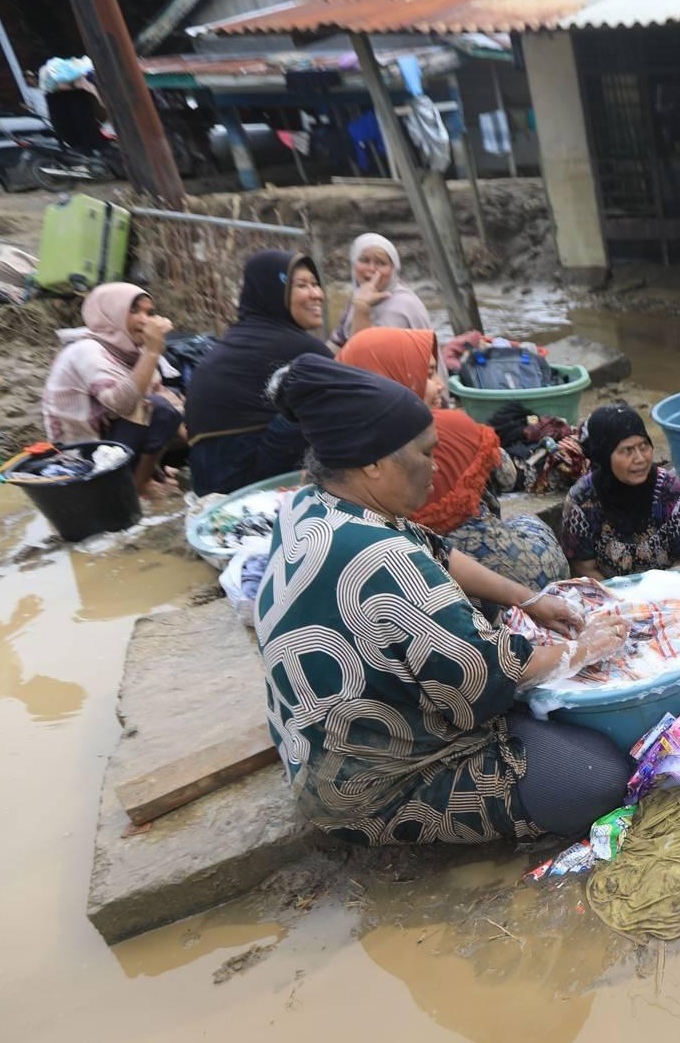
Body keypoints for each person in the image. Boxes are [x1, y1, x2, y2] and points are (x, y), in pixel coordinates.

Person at [256, 352, 635, 845]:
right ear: (372, 462)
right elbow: (487, 675)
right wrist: (581, 650)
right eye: (426, 453)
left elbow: (438, 550)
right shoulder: (384, 559)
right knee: (599, 775)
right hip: (375, 788)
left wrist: (531, 600)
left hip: (314, 758)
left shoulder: (310, 502)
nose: (436, 468)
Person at [337, 326, 568, 595]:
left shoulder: (348, 453)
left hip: (426, 579)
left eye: (436, 372)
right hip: (514, 576)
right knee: (526, 521)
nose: (441, 385)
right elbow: (510, 476)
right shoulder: (446, 426)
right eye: (427, 374)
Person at [184, 250, 328, 496]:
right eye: (302, 285)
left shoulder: (244, 336)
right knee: (326, 402)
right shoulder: (300, 348)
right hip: (243, 483)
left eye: (315, 284)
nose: (317, 294)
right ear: (273, 291)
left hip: (207, 479)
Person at [39, 282, 184, 497]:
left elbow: (161, 395)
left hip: (113, 441)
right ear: (109, 314)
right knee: (160, 410)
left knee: (175, 407)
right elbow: (122, 403)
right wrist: (153, 352)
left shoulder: (132, 350)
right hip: (80, 455)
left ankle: (149, 475)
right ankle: (137, 488)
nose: (144, 319)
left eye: (149, 312)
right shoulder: (86, 351)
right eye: (134, 311)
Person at [559, 403, 680, 580]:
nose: (640, 459)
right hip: (611, 595)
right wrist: (621, 599)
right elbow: (584, 567)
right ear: (604, 454)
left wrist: (657, 594)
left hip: (668, 591)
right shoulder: (582, 500)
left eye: (643, 446)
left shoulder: (671, 491)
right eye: (627, 450)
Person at [330, 232, 434, 349]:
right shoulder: (355, 298)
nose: (371, 269)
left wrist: (362, 308)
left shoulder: (406, 305)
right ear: (354, 265)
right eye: (364, 260)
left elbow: (365, 355)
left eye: (381, 263)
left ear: (393, 269)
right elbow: (336, 346)